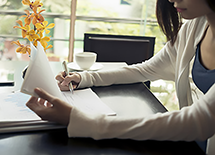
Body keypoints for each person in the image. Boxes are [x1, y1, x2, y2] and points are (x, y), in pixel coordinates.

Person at [26, 0, 215, 154]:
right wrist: (84, 78)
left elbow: (197, 121)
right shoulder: (194, 27)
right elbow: (144, 70)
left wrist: (78, 120)